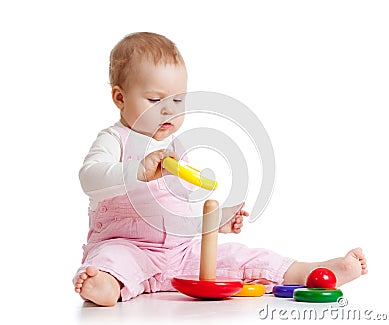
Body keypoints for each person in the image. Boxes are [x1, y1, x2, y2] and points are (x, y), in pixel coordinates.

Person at [73, 32, 368, 307]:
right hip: (129, 248)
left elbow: (178, 214)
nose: (169, 110)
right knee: (113, 260)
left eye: (178, 100)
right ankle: (104, 284)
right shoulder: (114, 139)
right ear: (120, 98)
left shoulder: (177, 149)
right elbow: (90, 178)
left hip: (182, 255)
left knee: (243, 258)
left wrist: (214, 223)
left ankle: (309, 273)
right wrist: (135, 171)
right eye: (154, 100)